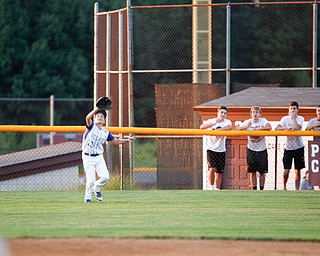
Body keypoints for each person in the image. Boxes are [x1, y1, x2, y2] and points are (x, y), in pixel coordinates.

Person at [82, 106, 135, 203]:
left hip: (98, 157)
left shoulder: (105, 133)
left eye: (102, 116)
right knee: (91, 180)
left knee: (106, 177)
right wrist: (97, 108)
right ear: (94, 118)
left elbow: (116, 141)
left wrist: (127, 140)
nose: (100, 117)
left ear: (104, 120)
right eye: (97, 116)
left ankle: (96, 188)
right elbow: (87, 118)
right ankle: (87, 198)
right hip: (87, 156)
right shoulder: (91, 127)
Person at [236, 106, 272, 190]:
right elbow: (237, 128)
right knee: (252, 171)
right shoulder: (248, 122)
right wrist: (246, 127)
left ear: (260, 114)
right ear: (251, 114)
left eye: (256, 112)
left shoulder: (263, 120)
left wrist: (257, 131)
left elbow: (269, 127)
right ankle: (254, 189)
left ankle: (262, 189)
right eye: (253, 112)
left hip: (261, 149)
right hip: (251, 149)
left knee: (262, 171)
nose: (255, 113)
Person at [200, 106, 232, 190]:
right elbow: (202, 127)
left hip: (221, 150)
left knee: (219, 172)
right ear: (217, 113)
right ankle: (212, 188)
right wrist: (214, 122)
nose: (223, 114)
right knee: (212, 169)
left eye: (225, 113)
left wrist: (216, 131)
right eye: (221, 112)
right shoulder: (212, 120)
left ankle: (217, 189)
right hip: (211, 149)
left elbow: (229, 127)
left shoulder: (227, 122)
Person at [275, 101, 305, 190]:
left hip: (299, 147)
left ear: (298, 109)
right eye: (291, 108)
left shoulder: (300, 118)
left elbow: (297, 127)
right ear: (288, 109)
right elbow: (277, 128)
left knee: (297, 170)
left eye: (294, 109)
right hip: (288, 147)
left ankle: (297, 189)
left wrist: (293, 119)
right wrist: (285, 128)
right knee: (286, 170)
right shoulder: (284, 118)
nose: (292, 110)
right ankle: (284, 187)